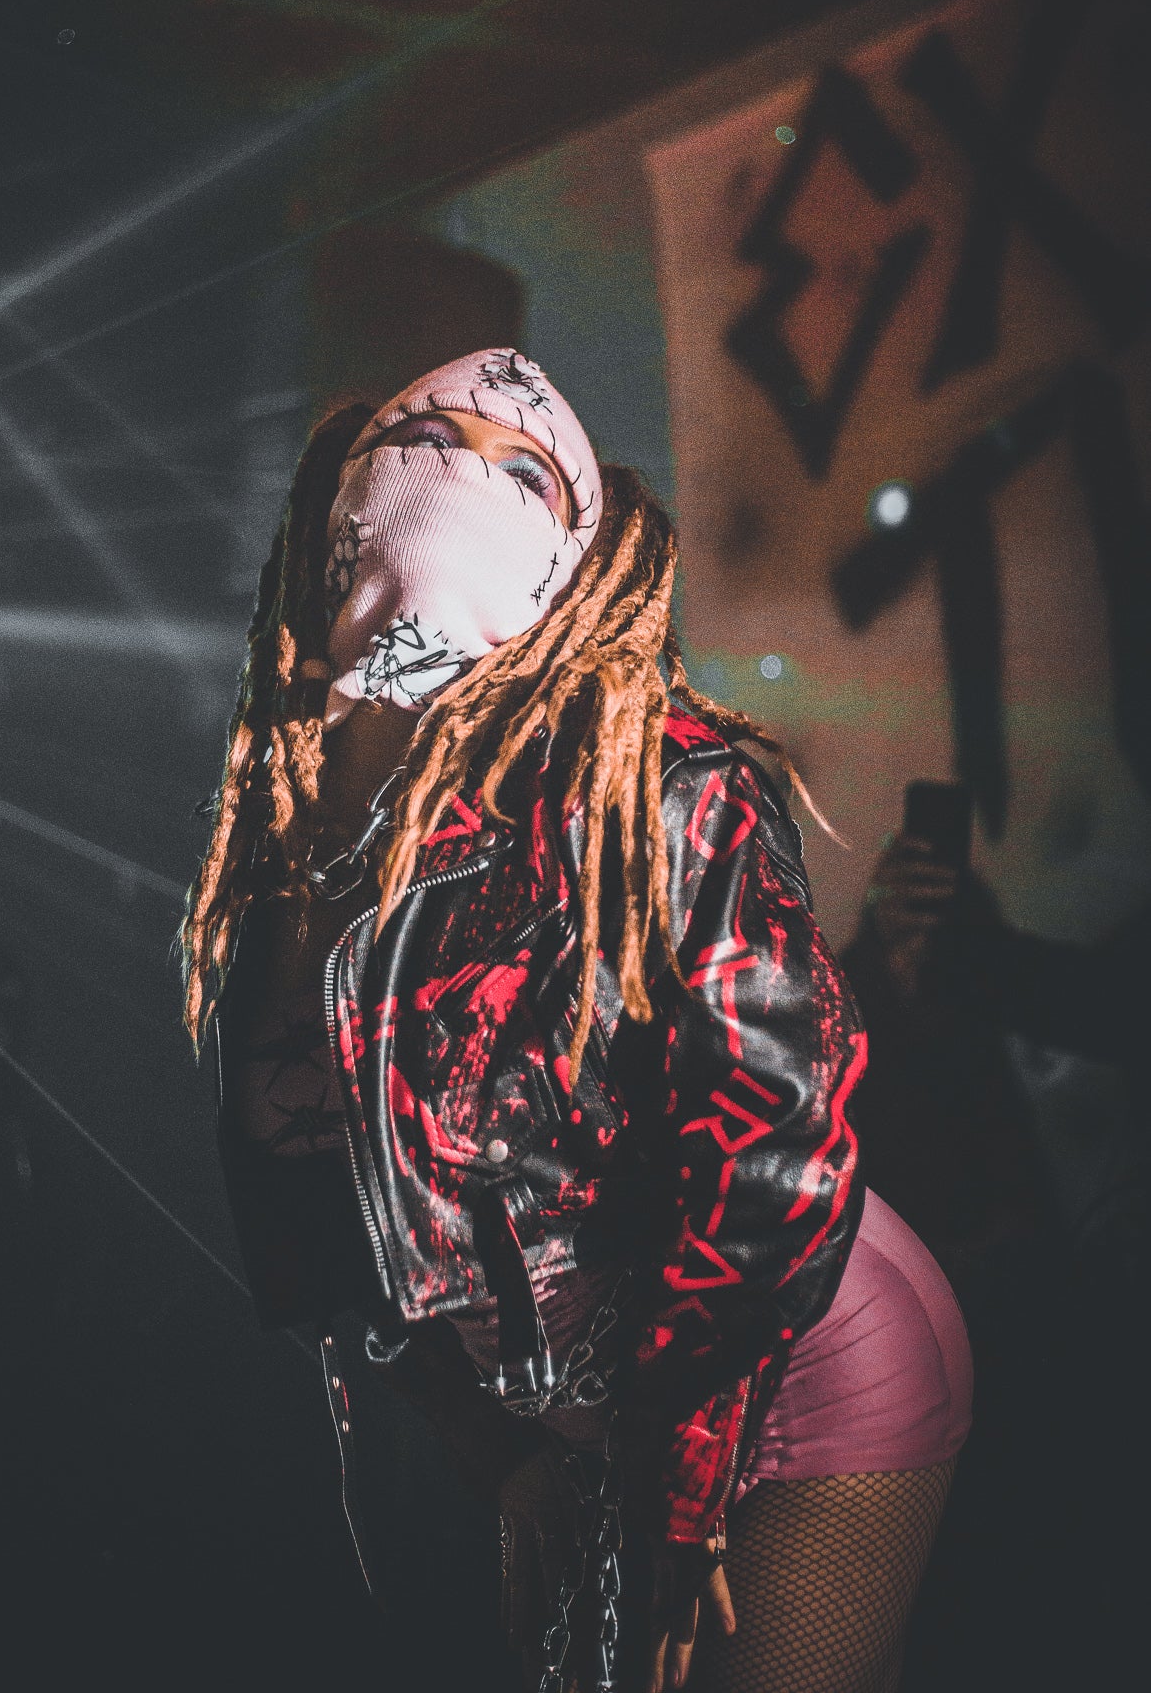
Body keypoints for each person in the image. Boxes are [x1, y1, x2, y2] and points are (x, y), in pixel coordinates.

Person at [183, 350, 971, 1693]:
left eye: (518, 464)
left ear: (570, 564)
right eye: (430, 433)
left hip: (793, 1362)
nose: (461, 468)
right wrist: (500, 1451)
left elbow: (768, 1151)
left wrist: (673, 1493)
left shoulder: (650, 783)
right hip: (576, 1415)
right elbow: (312, 1198)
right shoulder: (285, 837)